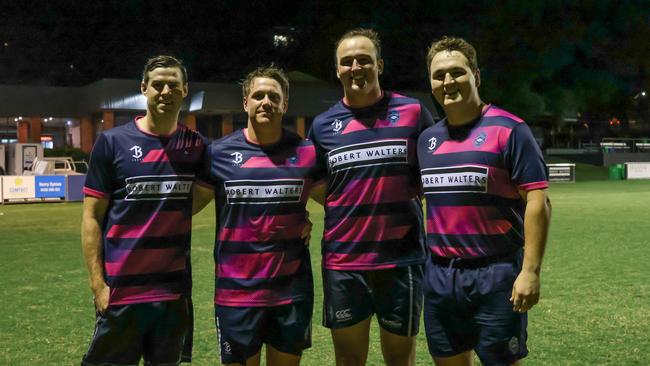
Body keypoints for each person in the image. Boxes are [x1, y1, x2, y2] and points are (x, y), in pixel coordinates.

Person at [418, 36, 552, 366]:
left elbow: (538, 201)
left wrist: (530, 271)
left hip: (496, 274)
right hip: (439, 274)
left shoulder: (510, 129)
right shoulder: (427, 140)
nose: (448, 81)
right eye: (439, 75)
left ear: (476, 76)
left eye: (456, 72)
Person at [308, 28, 434, 366]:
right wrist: (351, 203)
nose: (355, 67)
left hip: (402, 260)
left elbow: (432, 172)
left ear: (379, 64)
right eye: (346, 62)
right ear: (337, 70)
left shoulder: (412, 112)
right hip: (344, 262)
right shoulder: (322, 126)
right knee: (349, 360)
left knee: (400, 359)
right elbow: (318, 184)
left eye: (364, 60)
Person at [81, 55, 208, 366]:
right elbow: (91, 217)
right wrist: (98, 285)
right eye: (158, 85)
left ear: (185, 90)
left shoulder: (197, 147)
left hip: (173, 295)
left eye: (173, 85)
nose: (165, 91)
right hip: (122, 292)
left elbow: (215, 193)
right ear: (144, 89)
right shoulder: (112, 142)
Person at [192, 65, 323, 366]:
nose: (266, 102)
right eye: (258, 95)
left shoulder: (306, 153)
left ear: (285, 104)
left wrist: (309, 220)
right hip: (236, 294)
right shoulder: (218, 154)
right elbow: (184, 208)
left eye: (274, 96)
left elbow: (339, 203)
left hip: (290, 293)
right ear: (245, 103)